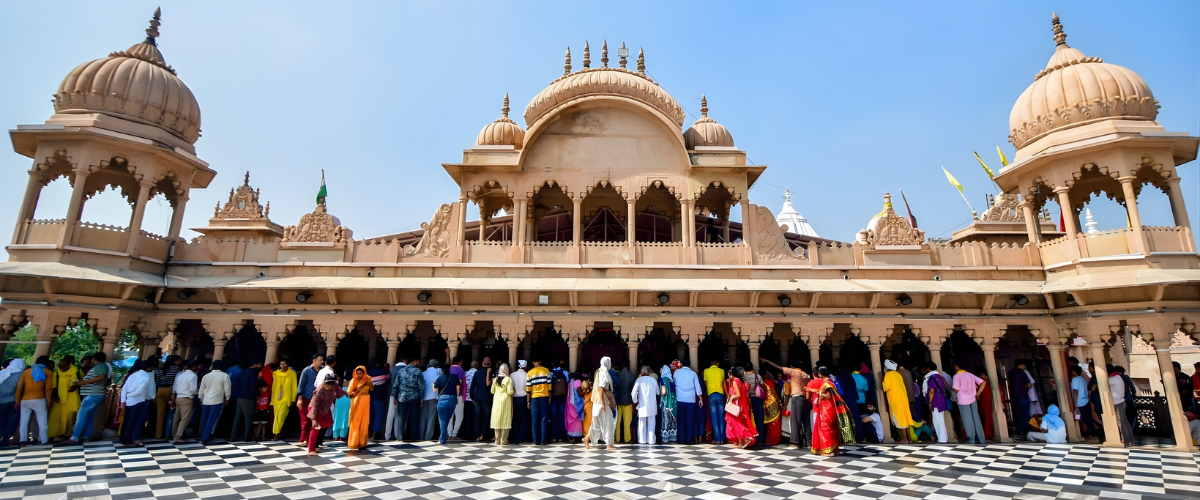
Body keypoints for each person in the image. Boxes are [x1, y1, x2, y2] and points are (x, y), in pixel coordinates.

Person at [763, 359, 810, 449]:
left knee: (795, 420)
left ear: (792, 366)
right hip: (806, 398)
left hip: (797, 398)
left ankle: (795, 442)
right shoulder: (806, 374)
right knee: (806, 421)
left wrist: (769, 362)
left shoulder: (794, 371)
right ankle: (808, 442)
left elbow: (779, 367)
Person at [67, 354, 110, 443]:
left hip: (93, 394)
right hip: (95, 394)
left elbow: (102, 377)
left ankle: (75, 437)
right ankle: (86, 436)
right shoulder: (100, 366)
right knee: (90, 416)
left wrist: (85, 381)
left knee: (81, 415)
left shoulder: (101, 366)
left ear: (94, 359)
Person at [118, 357, 157, 446]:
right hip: (138, 400)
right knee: (133, 421)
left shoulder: (133, 375)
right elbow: (140, 391)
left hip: (129, 401)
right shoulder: (146, 377)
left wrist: (124, 399)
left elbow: (124, 388)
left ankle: (123, 438)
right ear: (148, 367)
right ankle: (127, 441)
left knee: (127, 420)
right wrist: (130, 395)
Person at [585, 356, 618, 450]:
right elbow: (600, 388)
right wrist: (602, 402)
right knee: (609, 421)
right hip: (603, 401)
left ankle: (586, 438)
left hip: (599, 402)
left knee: (597, 423)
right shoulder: (603, 373)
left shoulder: (599, 371)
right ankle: (609, 444)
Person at [307, 379, 346, 456]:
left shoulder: (334, 386)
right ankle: (311, 449)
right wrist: (314, 419)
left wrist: (347, 393)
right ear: (323, 383)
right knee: (315, 428)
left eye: (330, 386)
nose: (328, 388)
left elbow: (339, 390)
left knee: (329, 422)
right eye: (326, 386)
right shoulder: (319, 391)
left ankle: (314, 439)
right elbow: (314, 405)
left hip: (324, 409)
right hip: (315, 409)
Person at [951, 362, 986, 444]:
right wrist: (978, 393)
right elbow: (983, 382)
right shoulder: (970, 375)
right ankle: (981, 439)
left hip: (963, 400)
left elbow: (956, 389)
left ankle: (971, 439)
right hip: (972, 398)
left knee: (967, 419)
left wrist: (947, 385)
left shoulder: (956, 376)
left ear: (956, 367)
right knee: (976, 418)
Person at [47, 356, 82, 439]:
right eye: (60, 367)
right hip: (59, 398)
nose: (62, 369)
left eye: (64, 367)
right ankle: (52, 434)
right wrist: (56, 396)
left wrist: (75, 387)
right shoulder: (57, 374)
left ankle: (67, 434)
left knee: (70, 417)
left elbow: (82, 381)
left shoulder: (76, 371)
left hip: (72, 397)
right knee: (55, 417)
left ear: (69, 365)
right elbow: (54, 387)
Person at [724, 366, 758, 449]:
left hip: (736, 406)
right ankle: (740, 443)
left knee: (736, 423)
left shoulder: (735, 381)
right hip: (741, 406)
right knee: (737, 424)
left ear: (731, 374)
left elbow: (738, 394)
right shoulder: (739, 381)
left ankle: (747, 437)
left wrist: (731, 398)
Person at [198, 359, 231, 444]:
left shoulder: (206, 376)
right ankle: (205, 437)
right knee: (211, 419)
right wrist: (227, 398)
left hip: (206, 400)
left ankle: (203, 435)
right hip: (217, 400)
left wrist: (201, 398)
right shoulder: (224, 376)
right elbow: (227, 388)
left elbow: (201, 389)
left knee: (204, 419)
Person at [392, 355, 424, 442]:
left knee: (401, 417)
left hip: (402, 397)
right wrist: (422, 398)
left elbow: (395, 385)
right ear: (416, 361)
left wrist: (395, 397)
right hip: (414, 397)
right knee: (413, 417)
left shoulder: (401, 371)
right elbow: (421, 386)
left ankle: (400, 437)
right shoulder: (418, 371)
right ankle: (413, 437)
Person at [228, 361, 261, 442]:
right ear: (254, 365)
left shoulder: (243, 371)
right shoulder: (253, 373)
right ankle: (247, 437)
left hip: (239, 396)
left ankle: (233, 437)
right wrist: (255, 395)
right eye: (259, 364)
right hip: (248, 397)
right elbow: (253, 385)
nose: (260, 366)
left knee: (237, 417)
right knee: (248, 417)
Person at [881, 360, 913, 443]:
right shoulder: (898, 374)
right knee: (905, 419)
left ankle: (905, 439)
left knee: (900, 420)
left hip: (895, 400)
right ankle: (909, 439)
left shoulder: (888, 374)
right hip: (903, 400)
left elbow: (885, 387)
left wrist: (881, 379)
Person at [673, 360, 704, 444]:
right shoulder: (693, 373)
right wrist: (700, 399)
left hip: (680, 399)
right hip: (691, 400)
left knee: (681, 420)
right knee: (690, 421)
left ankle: (682, 440)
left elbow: (674, 384)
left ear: (681, 364)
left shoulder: (676, 373)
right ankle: (689, 440)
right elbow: (697, 387)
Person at [296, 354, 323, 447]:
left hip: (317, 399)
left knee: (315, 420)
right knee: (305, 419)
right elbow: (301, 384)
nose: (322, 362)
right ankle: (303, 439)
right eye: (320, 360)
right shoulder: (306, 370)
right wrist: (300, 398)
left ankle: (313, 441)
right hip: (306, 397)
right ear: (314, 360)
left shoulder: (323, 371)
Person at [170, 360, 200, 442]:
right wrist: (198, 393)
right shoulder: (193, 376)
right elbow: (193, 389)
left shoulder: (180, 375)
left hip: (179, 397)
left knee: (176, 418)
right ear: (193, 366)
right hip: (186, 398)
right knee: (185, 419)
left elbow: (175, 388)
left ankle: (174, 434)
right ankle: (178, 437)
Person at [153, 355, 182, 439]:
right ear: (175, 361)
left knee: (160, 413)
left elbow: (157, 382)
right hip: (170, 390)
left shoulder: (161, 370)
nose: (180, 362)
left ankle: (158, 434)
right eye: (179, 360)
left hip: (160, 390)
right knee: (171, 413)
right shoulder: (177, 370)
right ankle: (168, 433)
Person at [345, 366, 372, 450]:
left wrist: (369, 384)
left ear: (364, 373)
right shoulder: (353, 380)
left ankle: (362, 442)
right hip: (356, 401)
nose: (359, 375)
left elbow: (371, 389)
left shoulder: (368, 379)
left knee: (364, 421)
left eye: (360, 373)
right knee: (355, 420)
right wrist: (357, 390)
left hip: (366, 400)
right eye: (357, 373)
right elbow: (349, 394)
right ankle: (353, 442)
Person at [921, 362, 950, 443]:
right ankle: (943, 438)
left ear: (928, 369)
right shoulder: (939, 376)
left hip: (935, 401)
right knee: (940, 420)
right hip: (941, 400)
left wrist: (930, 402)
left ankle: (942, 439)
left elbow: (931, 390)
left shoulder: (931, 378)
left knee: (937, 420)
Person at [269, 359, 296, 441]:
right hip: (276, 398)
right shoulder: (276, 373)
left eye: (284, 364)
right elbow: (273, 386)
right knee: (276, 415)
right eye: (281, 364)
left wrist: (292, 399)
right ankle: (278, 432)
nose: (283, 366)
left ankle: (276, 432)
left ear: (288, 364)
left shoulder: (292, 373)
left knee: (280, 415)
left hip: (286, 398)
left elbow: (294, 387)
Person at [1107, 365, 1135, 447]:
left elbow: (1102, 382)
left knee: (1121, 422)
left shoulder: (1113, 379)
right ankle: (1130, 439)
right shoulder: (1118, 377)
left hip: (1118, 402)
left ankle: (1125, 440)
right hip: (1122, 401)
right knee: (1125, 421)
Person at [631, 366, 659, 445]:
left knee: (642, 423)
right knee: (652, 423)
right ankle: (651, 440)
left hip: (642, 405)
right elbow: (657, 392)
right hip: (652, 405)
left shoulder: (639, 380)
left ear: (642, 372)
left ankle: (642, 440)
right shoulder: (653, 380)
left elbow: (633, 393)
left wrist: (636, 401)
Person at [526, 359, 552, 445]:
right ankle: (543, 440)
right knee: (544, 419)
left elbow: (528, 388)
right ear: (540, 361)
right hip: (544, 396)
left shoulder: (530, 373)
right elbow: (549, 385)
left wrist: (528, 401)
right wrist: (549, 396)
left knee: (534, 420)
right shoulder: (546, 370)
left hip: (534, 398)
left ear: (533, 362)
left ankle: (535, 441)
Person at [433, 363, 460, 445]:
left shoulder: (439, 378)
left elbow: (434, 389)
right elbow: (458, 388)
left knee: (443, 421)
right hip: (452, 399)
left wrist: (433, 384)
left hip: (443, 400)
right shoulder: (455, 377)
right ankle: (443, 436)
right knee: (446, 420)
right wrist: (457, 397)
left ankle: (442, 439)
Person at [702, 360, 726, 444]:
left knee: (714, 418)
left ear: (711, 363)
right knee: (721, 417)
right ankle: (722, 439)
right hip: (720, 394)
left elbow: (705, 382)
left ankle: (717, 438)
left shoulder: (706, 371)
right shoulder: (721, 371)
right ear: (718, 364)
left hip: (711, 394)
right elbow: (722, 381)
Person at [471, 357, 494, 443]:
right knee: (487, 417)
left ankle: (477, 435)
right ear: (490, 364)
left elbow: (472, 386)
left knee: (477, 417)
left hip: (478, 397)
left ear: (482, 364)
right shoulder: (491, 372)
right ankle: (482, 434)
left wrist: (472, 397)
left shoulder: (477, 373)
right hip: (487, 398)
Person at [490, 362, 514, 445]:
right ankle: (503, 440)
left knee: (497, 418)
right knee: (505, 419)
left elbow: (492, 391)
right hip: (505, 400)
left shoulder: (495, 379)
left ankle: (497, 440)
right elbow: (510, 391)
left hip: (497, 400)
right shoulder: (508, 379)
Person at [743, 364, 766, 446]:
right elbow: (764, 386)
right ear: (752, 368)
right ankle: (761, 439)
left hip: (746, 400)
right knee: (759, 419)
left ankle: (751, 438)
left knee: (749, 419)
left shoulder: (743, 377)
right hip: (757, 399)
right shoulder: (757, 376)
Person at [614, 362, 636, 444]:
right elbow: (633, 390)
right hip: (628, 401)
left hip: (618, 400)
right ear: (629, 366)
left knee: (617, 421)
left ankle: (617, 438)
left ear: (622, 365)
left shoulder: (617, 374)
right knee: (627, 422)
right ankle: (627, 439)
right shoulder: (631, 376)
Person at [367, 360, 389, 440]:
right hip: (380, 398)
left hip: (369, 397)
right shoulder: (383, 372)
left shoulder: (368, 373)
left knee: (370, 415)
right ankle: (374, 436)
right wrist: (387, 369)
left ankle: (368, 435)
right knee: (378, 416)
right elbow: (388, 378)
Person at [420, 359, 441, 441]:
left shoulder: (423, 373)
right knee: (431, 419)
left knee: (423, 419)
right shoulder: (437, 371)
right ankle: (427, 438)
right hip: (433, 397)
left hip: (424, 398)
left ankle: (421, 437)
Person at [761, 369, 783, 446]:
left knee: (769, 423)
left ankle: (769, 439)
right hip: (773, 403)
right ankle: (774, 439)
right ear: (766, 374)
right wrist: (780, 401)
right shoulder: (769, 381)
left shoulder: (761, 382)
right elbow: (774, 393)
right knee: (775, 421)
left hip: (766, 403)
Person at [550, 361, 570, 442]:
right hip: (563, 397)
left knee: (554, 417)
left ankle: (554, 437)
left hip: (554, 397)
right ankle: (562, 436)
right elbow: (568, 383)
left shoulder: (551, 373)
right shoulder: (565, 372)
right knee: (562, 417)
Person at [509, 360, 529, 444]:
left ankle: (515, 437)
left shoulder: (512, 375)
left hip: (514, 398)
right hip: (523, 397)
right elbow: (526, 387)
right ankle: (522, 437)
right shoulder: (526, 374)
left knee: (515, 419)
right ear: (525, 366)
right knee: (523, 418)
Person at [659, 364, 678, 444]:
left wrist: (659, 395)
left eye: (661, 369)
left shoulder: (663, 379)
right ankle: (673, 438)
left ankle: (665, 439)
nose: (660, 370)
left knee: (666, 419)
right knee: (672, 419)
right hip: (673, 401)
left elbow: (663, 392)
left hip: (666, 402)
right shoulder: (672, 380)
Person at [447, 357, 466, 440]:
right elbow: (459, 383)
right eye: (461, 362)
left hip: (448, 395)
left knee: (450, 415)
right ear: (459, 362)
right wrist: (457, 396)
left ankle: (449, 433)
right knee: (459, 416)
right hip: (457, 395)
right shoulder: (460, 370)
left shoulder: (449, 369)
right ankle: (454, 434)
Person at [566, 372, 585, 442]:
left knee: (571, 420)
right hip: (576, 404)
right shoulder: (578, 381)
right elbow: (580, 394)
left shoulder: (570, 382)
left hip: (569, 404)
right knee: (577, 419)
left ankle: (571, 437)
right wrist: (586, 389)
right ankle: (576, 437)